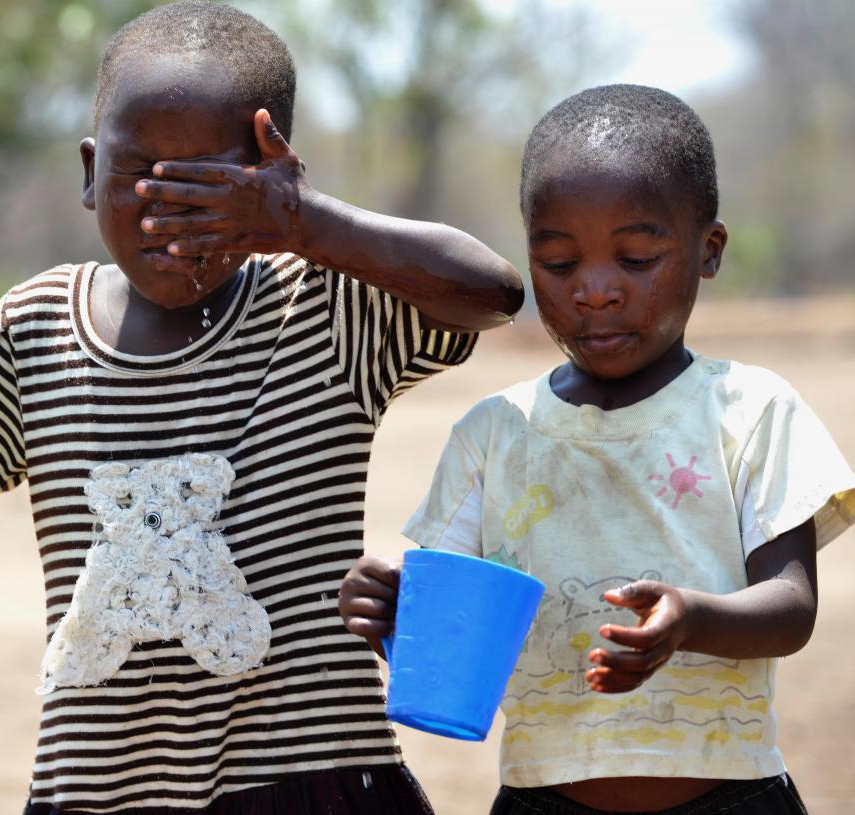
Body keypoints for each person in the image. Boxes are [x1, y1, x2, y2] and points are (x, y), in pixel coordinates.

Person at [0, 0, 525, 814]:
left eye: (209, 185)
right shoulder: (38, 326)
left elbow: (490, 292)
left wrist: (307, 223)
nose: (165, 208)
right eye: (139, 173)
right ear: (86, 172)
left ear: (273, 176)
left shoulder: (323, 311)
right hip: (100, 790)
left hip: (308, 774)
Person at [339, 84, 855, 815]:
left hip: (730, 795)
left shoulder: (751, 410)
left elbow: (792, 606)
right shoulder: (496, 433)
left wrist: (691, 618)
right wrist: (394, 606)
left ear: (708, 253)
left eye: (637, 257)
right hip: (542, 798)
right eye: (557, 263)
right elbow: (452, 625)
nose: (596, 291)